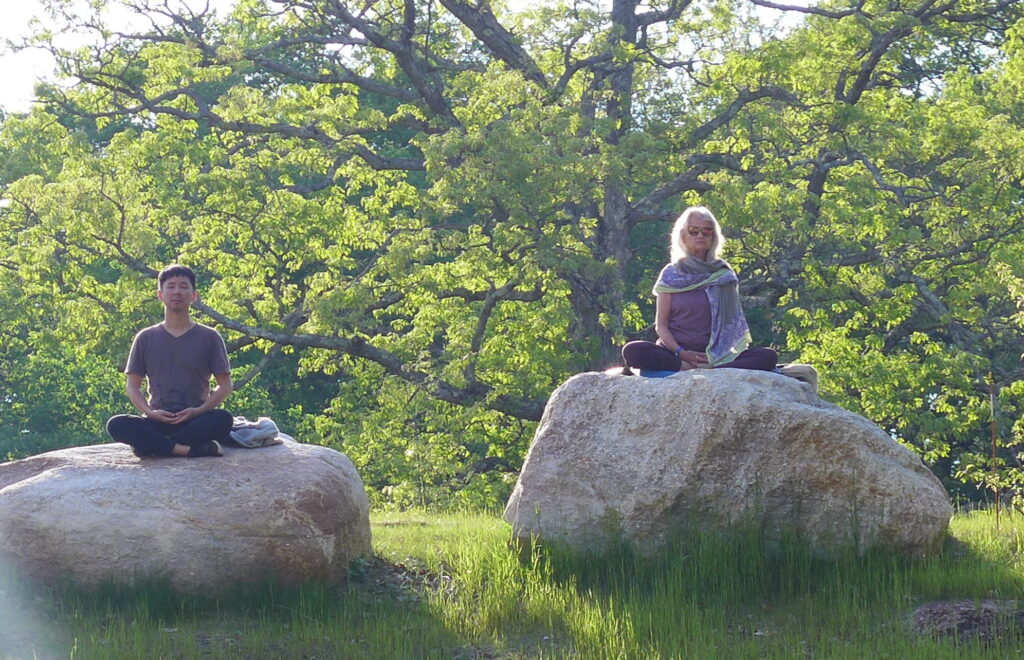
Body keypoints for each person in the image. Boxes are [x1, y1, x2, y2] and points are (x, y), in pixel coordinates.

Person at [622, 206, 777, 374]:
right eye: (694, 231)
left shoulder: (723, 274)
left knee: (767, 356)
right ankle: (687, 368)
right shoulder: (671, 274)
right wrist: (682, 353)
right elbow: (661, 326)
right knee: (633, 350)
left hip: (718, 355)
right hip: (676, 353)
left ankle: (717, 369)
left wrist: (721, 353)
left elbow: (731, 326)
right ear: (683, 235)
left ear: (713, 236)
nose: (701, 236)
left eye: (707, 231)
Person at [105, 264, 233, 458]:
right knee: (117, 424)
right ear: (160, 295)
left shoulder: (209, 337)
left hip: (195, 418)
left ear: (194, 295)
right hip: (157, 417)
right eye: (171, 286)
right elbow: (132, 386)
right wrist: (150, 412)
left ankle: (153, 445)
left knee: (223, 419)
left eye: (183, 286)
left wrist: (198, 411)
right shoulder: (145, 337)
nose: (177, 292)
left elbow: (225, 386)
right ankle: (186, 449)